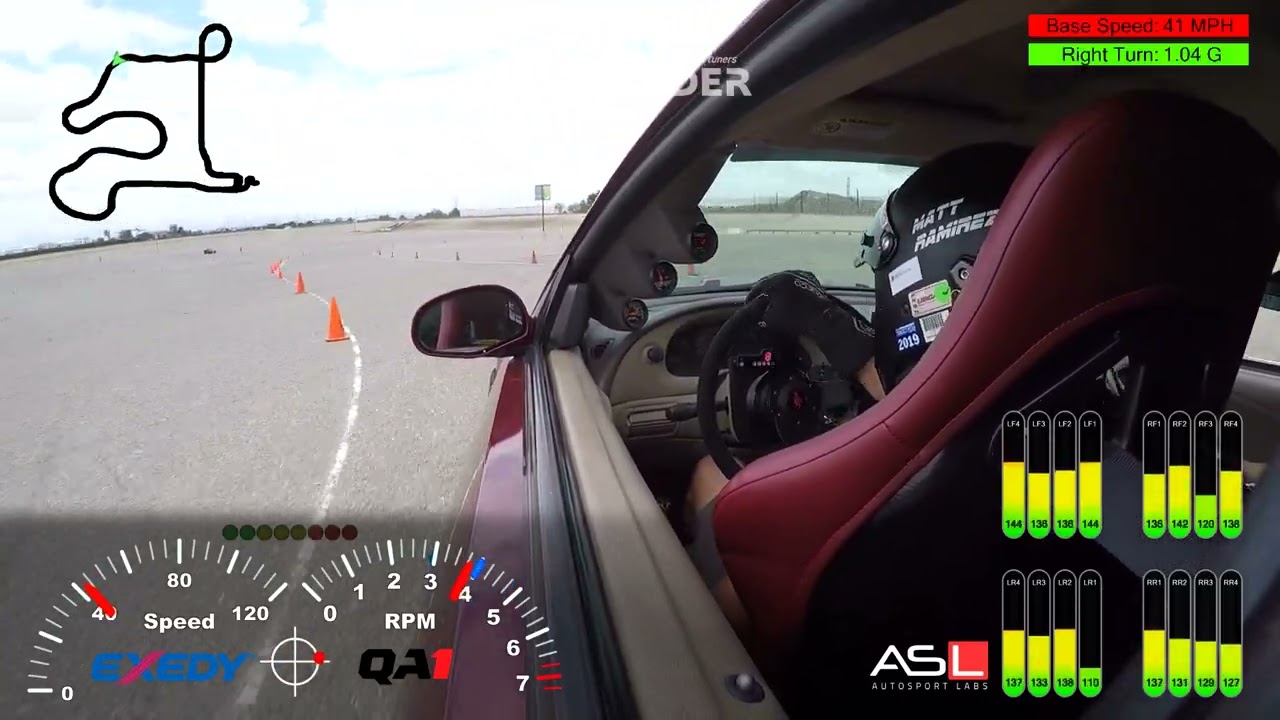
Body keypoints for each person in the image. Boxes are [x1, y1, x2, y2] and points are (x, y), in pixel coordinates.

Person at [684, 142, 1034, 641]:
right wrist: (842, 338)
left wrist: (829, 327)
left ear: (948, 265)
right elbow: (934, 379)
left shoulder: (954, 443)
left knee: (708, 475)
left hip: (890, 646)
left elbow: (924, 409)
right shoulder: (1087, 369)